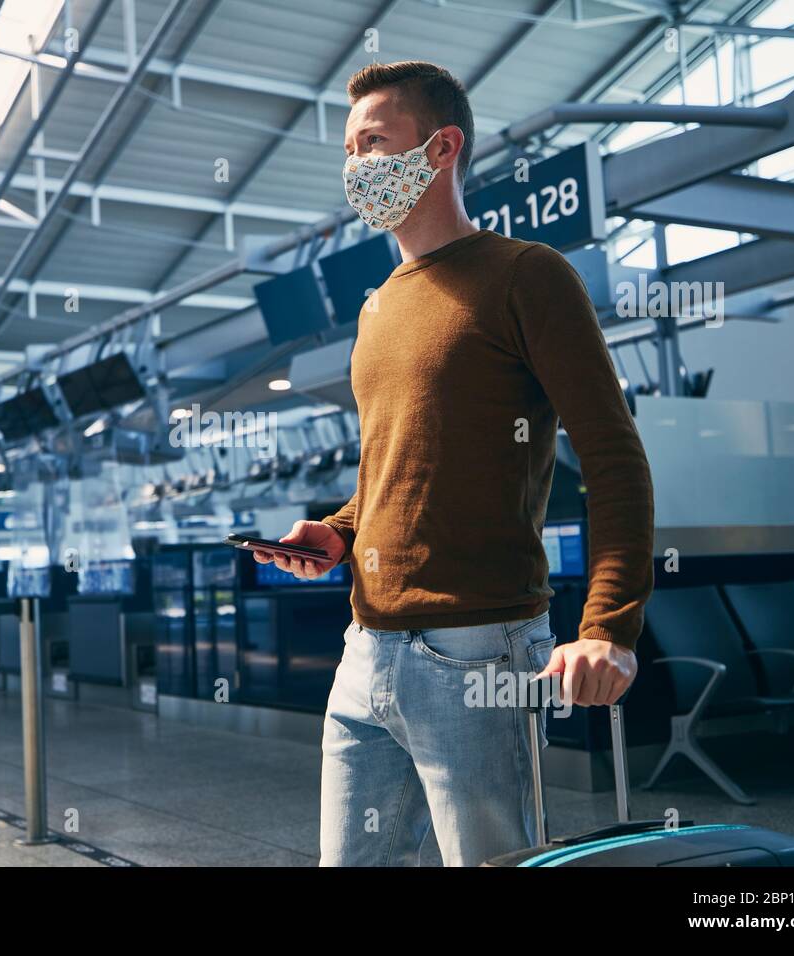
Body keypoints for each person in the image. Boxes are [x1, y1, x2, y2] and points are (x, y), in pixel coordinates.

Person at [251, 60, 654, 866]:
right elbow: (391, 466)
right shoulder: (377, 306)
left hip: (478, 650)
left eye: (374, 141)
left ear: (441, 149)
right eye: (348, 149)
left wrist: (609, 627)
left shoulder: (526, 275)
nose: (355, 165)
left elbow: (614, 458)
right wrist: (336, 531)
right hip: (365, 647)